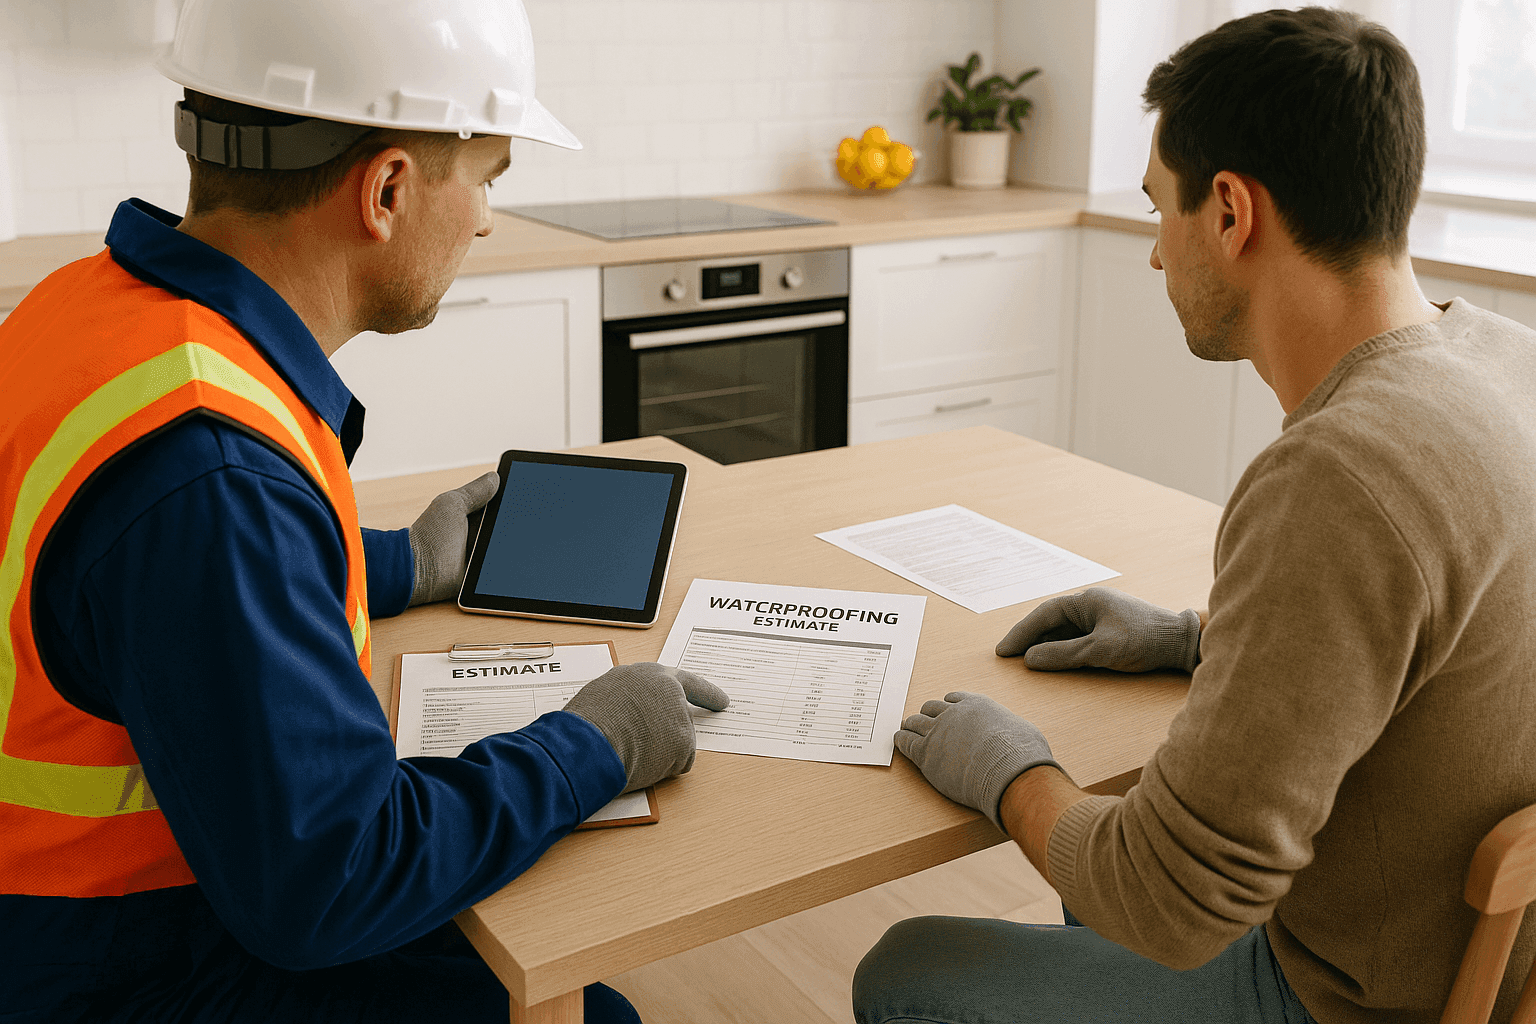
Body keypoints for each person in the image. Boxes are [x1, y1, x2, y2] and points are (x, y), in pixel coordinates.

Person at [0, 1, 727, 1021]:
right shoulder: (213, 473)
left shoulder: (90, 309)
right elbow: (329, 877)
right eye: (486, 179)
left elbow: (154, 605)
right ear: (386, 189)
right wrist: (592, 746)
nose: (482, 219)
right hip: (113, 959)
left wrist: (398, 564)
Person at [855, 8, 1536, 1024]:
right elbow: (1432, 639)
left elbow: (1171, 903)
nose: (1153, 257)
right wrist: (1193, 639)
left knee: (905, 971)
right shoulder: (1507, 356)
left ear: (1230, 211)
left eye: (1155, 214)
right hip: (1469, 947)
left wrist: (1011, 774)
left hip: (1342, 992)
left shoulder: (1340, 473)